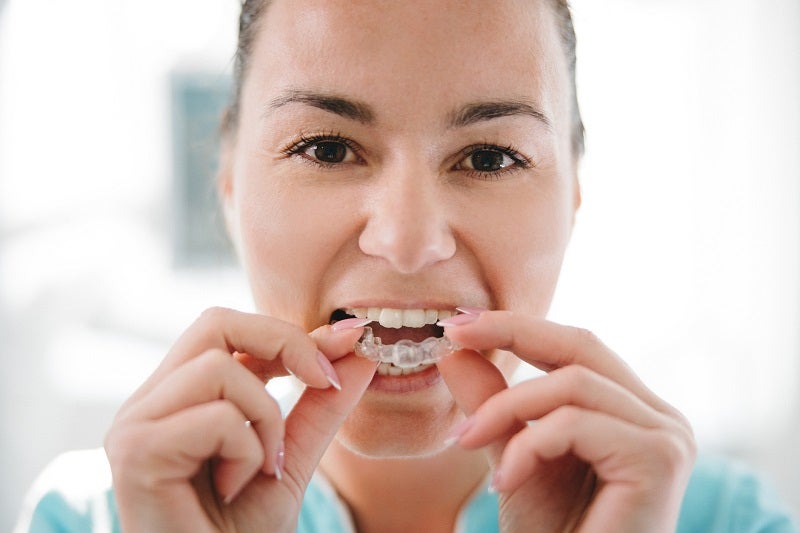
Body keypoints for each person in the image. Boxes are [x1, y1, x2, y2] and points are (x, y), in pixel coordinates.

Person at [15, 0, 797, 531]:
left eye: (489, 156)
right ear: (225, 181)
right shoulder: (88, 516)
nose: (409, 240)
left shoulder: (728, 520)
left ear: (576, 192)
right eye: (324, 147)